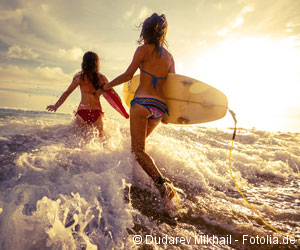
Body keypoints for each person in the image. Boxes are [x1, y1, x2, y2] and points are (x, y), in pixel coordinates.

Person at [97, 13, 176, 204]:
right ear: (163, 33)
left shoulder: (142, 50)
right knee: (137, 149)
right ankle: (137, 183)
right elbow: (172, 86)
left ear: (145, 31)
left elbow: (127, 75)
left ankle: (162, 185)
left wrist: (106, 87)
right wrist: (167, 113)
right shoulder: (169, 57)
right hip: (158, 108)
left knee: (138, 150)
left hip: (141, 104)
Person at [47, 51, 129, 136]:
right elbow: (114, 95)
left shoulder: (79, 78)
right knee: (99, 143)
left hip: (82, 112)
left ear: (84, 63)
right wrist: (120, 106)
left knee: (78, 142)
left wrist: (56, 106)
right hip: (97, 113)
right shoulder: (102, 78)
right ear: (96, 63)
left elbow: (67, 92)